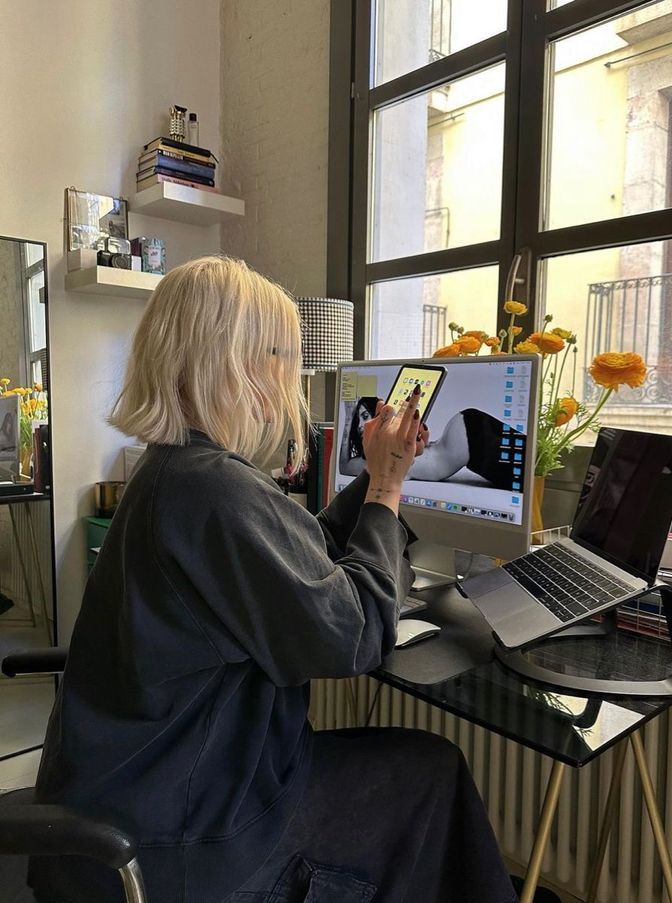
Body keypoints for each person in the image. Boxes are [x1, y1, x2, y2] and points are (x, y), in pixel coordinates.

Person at [29, 256, 517, 903]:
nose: (290, 379)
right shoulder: (212, 487)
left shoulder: (176, 472)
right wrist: (387, 486)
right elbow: (358, 637)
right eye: (284, 357)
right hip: (189, 831)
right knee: (430, 772)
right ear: (241, 364)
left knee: (411, 770)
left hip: (134, 789)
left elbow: (296, 555)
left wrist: (374, 485)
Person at [340, 396, 525, 490]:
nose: (362, 424)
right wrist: (349, 418)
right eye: (358, 422)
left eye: (365, 416)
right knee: (529, 465)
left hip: (466, 438)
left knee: (529, 469)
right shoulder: (374, 460)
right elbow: (344, 466)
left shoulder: (390, 450)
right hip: (465, 436)